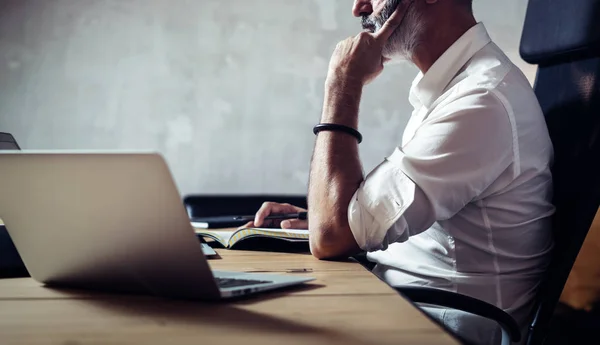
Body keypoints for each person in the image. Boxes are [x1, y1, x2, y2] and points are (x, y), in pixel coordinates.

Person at [245, 0, 555, 344]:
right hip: (402, 306)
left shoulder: (481, 99)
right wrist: (324, 216)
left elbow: (331, 237)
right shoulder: (453, 88)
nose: (358, 7)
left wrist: (342, 85)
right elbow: (378, 228)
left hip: (441, 328)